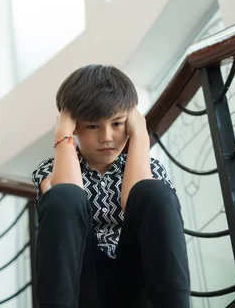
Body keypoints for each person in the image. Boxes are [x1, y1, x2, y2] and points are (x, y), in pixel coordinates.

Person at [31, 64, 190, 308]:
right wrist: (62, 134)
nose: (107, 137)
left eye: (117, 124)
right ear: (74, 125)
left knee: (153, 191)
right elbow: (68, 200)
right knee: (62, 197)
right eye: (93, 126)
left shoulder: (151, 168)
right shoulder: (49, 170)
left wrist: (140, 136)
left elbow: (135, 198)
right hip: (81, 288)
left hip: (138, 285)